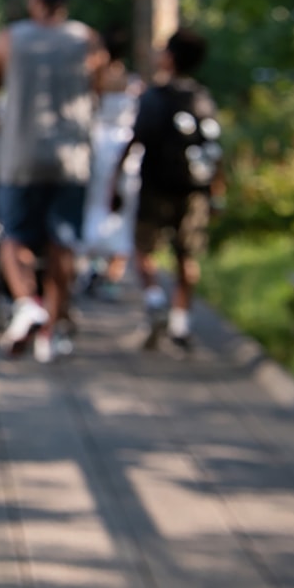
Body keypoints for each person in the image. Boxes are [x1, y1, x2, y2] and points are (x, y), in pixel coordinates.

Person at [0, 0, 106, 363]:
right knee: (62, 243)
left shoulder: (9, 38)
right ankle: (51, 330)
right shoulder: (86, 40)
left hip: (19, 156)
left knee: (14, 237)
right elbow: (98, 91)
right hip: (71, 159)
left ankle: (26, 302)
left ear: (35, 0)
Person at [112, 29, 223, 355]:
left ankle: (154, 298)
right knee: (186, 255)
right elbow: (215, 149)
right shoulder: (203, 98)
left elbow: (135, 140)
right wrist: (217, 193)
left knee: (143, 248)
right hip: (195, 190)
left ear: (171, 57)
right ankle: (181, 322)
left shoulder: (154, 96)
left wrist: (114, 181)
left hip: (155, 186)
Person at [80, 27, 144, 300]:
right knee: (123, 210)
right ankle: (113, 274)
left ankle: (94, 266)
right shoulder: (134, 83)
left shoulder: (94, 80)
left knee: (95, 206)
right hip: (127, 151)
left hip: (99, 148)